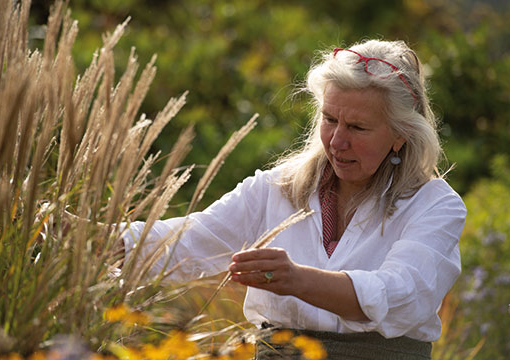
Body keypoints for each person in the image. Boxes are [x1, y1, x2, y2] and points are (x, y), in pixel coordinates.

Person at [121, 39, 466, 359]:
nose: (336, 141)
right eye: (330, 120)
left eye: (358, 128)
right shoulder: (275, 188)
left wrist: (296, 279)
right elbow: (184, 242)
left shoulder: (434, 205)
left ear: (401, 135)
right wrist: (92, 237)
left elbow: (399, 295)